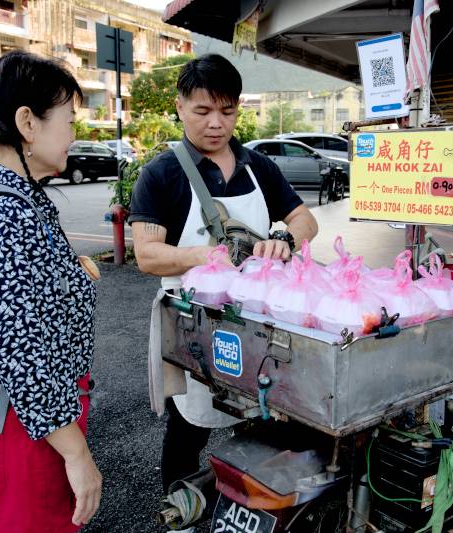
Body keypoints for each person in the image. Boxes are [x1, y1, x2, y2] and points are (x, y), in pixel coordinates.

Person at [130, 54, 318, 493]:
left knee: (262, 416)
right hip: (194, 324)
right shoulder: (162, 174)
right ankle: (180, 504)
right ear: (179, 107)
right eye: (203, 111)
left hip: (254, 320)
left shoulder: (258, 167)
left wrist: (285, 242)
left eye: (228, 111)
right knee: (187, 425)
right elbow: (147, 254)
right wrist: (207, 256)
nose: (216, 123)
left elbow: (306, 222)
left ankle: (249, 500)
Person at [0, 51, 102, 532]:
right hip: (19, 423)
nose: (74, 134)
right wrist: (78, 456)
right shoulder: (3, 214)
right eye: (69, 120)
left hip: (26, 418)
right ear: (27, 123)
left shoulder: (10, 195)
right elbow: (22, 353)